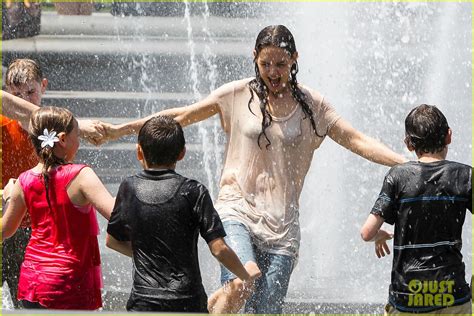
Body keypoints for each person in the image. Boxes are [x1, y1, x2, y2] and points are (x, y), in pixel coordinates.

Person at [101, 25, 406, 313]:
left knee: (267, 312)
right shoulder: (236, 94)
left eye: (281, 64)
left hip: (283, 226)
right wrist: (119, 130)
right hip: (236, 210)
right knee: (240, 283)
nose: (273, 73)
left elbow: (356, 139)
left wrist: (406, 163)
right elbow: (179, 116)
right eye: (265, 64)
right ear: (255, 58)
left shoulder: (314, 106)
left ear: (294, 60)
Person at [105, 115, 260, 312]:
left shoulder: (129, 187)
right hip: (187, 301)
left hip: (144, 301)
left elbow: (112, 240)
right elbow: (219, 249)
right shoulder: (194, 191)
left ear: (139, 152)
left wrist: (149, 254)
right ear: (182, 153)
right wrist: (244, 276)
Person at [1, 59, 104, 308]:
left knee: (25, 298)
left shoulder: (56, 129)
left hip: (36, 231)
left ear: (43, 86)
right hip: (6, 221)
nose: (25, 100)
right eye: (17, 95)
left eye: (30, 92)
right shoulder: (3, 126)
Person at [360, 104, 472, 315]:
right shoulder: (465, 176)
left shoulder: (398, 177)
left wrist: (379, 236)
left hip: (408, 301)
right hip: (453, 296)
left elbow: (367, 232)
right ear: (449, 136)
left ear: (409, 144)